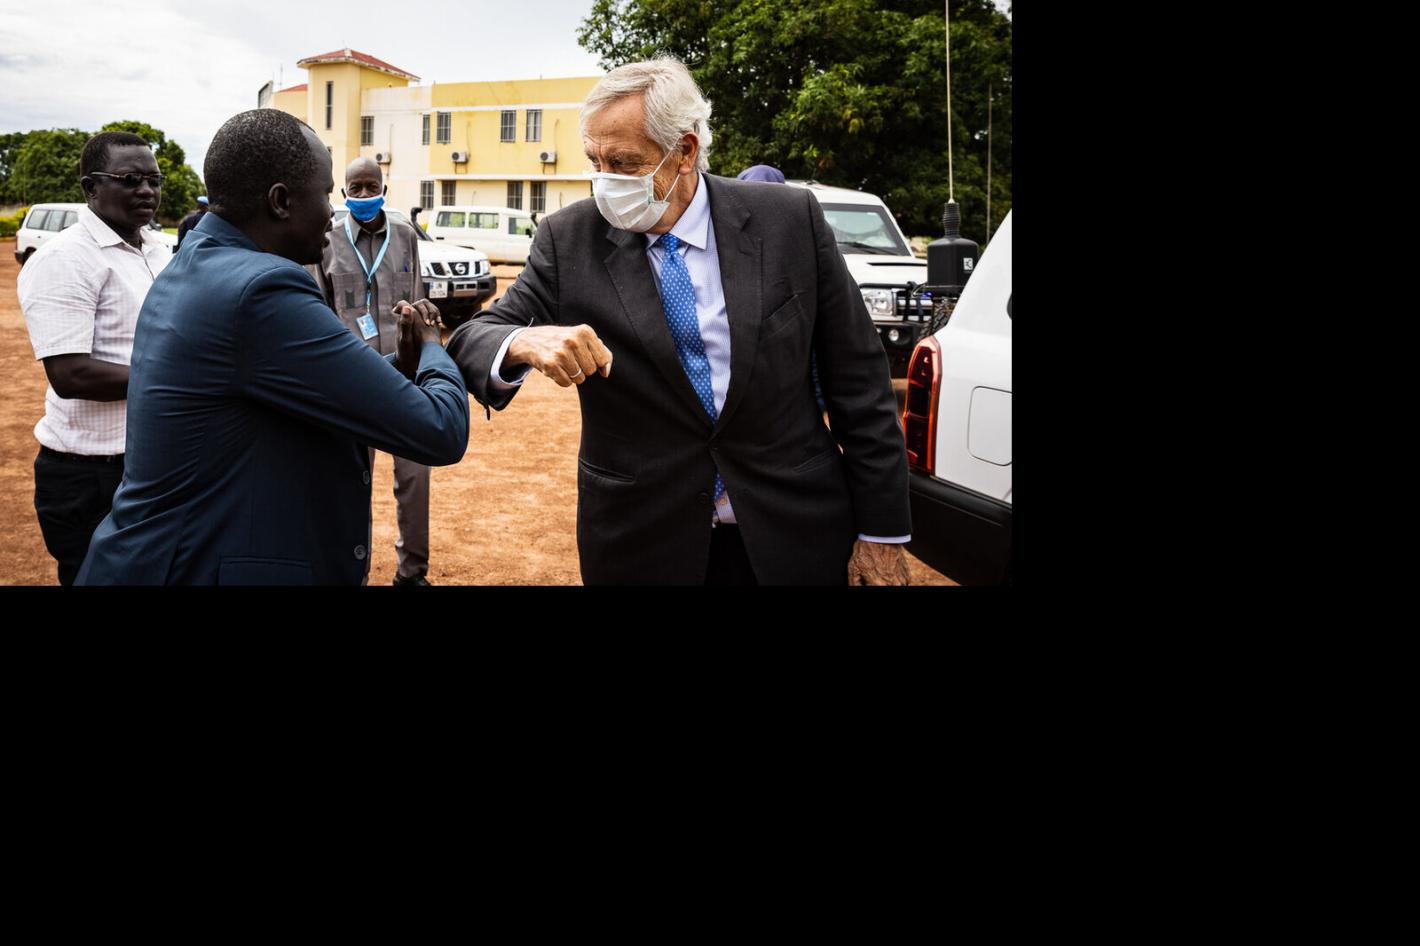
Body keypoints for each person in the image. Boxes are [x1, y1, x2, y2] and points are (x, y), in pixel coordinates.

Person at [442, 58, 912, 585]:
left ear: (684, 152)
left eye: (624, 162)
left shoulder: (789, 222)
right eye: (595, 160)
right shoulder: (568, 239)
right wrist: (524, 340)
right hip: (642, 541)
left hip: (792, 532)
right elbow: (473, 337)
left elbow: (859, 384)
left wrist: (883, 532)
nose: (605, 180)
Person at [75, 109, 469, 585]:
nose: (332, 214)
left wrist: (397, 365)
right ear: (281, 201)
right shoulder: (261, 290)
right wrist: (431, 345)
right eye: (325, 194)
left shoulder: (200, 261)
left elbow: (295, 379)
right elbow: (439, 430)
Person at [16, 131, 172, 585]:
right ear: (90, 188)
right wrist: (180, 378)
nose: (146, 190)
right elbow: (71, 375)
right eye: (130, 179)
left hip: (150, 462)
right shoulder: (65, 259)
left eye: (154, 180)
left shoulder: (158, 250)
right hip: (88, 474)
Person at [307, 157, 434, 586]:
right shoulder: (326, 239)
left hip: (404, 378)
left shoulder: (405, 235)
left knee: (415, 479)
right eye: (355, 188)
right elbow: (318, 309)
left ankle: (412, 573)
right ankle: (352, 575)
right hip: (352, 381)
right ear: (344, 194)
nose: (364, 195)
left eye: (371, 187)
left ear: (384, 189)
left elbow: (416, 298)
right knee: (349, 484)